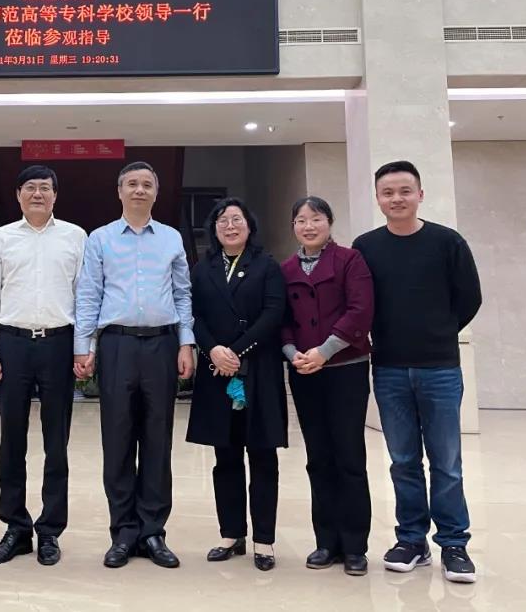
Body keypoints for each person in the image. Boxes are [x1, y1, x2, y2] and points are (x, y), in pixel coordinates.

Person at [353, 160, 482, 584]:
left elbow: (469, 298)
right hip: (389, 368)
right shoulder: (366, 247)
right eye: (388, 192)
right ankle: (411, 540)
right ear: (378, 199)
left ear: (420, 194)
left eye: (405, 191)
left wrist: (439, 331)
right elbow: (360, 302)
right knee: (403, 461)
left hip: (440, 368)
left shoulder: (447, 242)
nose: (397, 199)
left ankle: (454, 544)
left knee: (446, 462)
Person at [75, 161, 195, 569]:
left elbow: (182, 295)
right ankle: (123, 532)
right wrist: (83, 347)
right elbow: (89, 294)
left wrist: (186, 342)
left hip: (162, 344)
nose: (139, 190)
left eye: (147, 184)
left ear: (156, 193)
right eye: (132, 184)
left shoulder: (172, 239)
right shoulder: (100, 239)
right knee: (118, 440)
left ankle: (153, 531)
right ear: (119, 191)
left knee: (158, 440)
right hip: (117, 345)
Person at [0, 165, 86, 567]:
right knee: (12, 441)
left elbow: (84, 296)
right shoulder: (2, 238)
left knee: (56, 443)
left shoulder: (75, 236)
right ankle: (16, 528)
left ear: (56, 195)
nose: (38, 194)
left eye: (45, 188)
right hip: (13, 344)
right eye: (30, 187)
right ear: (18, 195)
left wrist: (83, 348)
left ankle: (51, 530)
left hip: (59, 343)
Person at [186, 198, 287, 571]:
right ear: (213, 229)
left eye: (236, 219)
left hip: (258, 370)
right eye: (222, 220)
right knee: (225, 456)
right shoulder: (203, 269)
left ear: (249, 225)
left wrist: (236, 350)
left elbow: (273, 313)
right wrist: (213, 349)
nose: (230, 226)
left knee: (262, 455)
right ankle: (231, 533)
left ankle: (264, 540)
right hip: (217, 372)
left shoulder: (267, 266)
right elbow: (194, 314)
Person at [280, 196, 374, 577]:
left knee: (349, 456)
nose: (309, 226)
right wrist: (293, 354)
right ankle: (326, 541)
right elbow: (281, 320)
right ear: (293, 227)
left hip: (345, 368)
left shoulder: (350, 260)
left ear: (329, 222)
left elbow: (360, 310)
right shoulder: (286, 269)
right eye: (301, 220)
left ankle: (355, 546)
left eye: (316, 218)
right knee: (318, 457)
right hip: (304, 371)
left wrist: (324, 351)